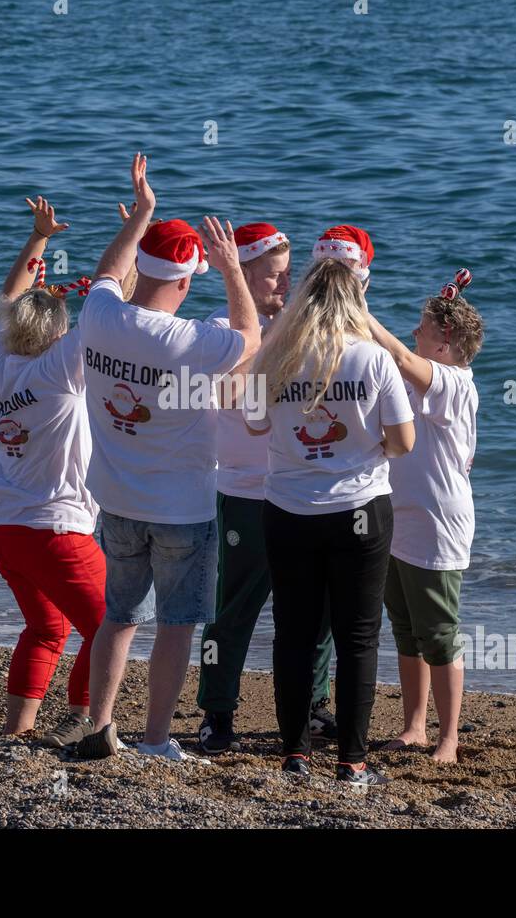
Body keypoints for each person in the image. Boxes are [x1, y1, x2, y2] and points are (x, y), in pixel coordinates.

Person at [75, 154, 261, 760]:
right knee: (176, 627)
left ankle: (99, 726)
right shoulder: (191, 341)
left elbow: (107, 270)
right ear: (186, 282)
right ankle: (155, 738)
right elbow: (250, 336)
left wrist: (143, 216)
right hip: (182, 508)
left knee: (118, 617)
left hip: (117, 499)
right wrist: (234, 269)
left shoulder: (99, 316)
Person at [246, 256, 415, 786]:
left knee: (293, 635)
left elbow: (254, 425)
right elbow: (403, 442)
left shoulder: (275, 356)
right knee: (358, 637)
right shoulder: (373, 358)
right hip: (359, 510)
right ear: (355, 305)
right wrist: (366, 446)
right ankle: (352, 761)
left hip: (289, 509)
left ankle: (294, 755)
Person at [196, 222, 338, 755]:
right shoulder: (219, 329)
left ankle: (314, 702)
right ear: (246, 272)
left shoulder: (304, 325)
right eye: (274, 276)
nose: (285, 286)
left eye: (288, 275)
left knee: (317, 609)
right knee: (233, 609)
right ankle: (217, 710)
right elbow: (234, 400)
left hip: (305, 491)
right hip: (247, 491)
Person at [0, 195, 105, 749]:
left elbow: (9, 297)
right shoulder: (61, 366)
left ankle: (18, 730)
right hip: (57, 531)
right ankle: (80, 719)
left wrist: (38, 239)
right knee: (108, 628)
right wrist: (135, 233)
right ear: (59, 334)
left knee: (47, 628)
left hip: (3, 527)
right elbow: (105, 307)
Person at [367, 274, 483, 763]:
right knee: (405, 628)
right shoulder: (422, 378)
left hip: (438, 521)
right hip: (399, 517)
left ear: (446, 340)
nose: (415, 332)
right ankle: (414, 725)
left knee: (438, 633)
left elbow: (397, 355)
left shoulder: (455, 384)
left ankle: (449, 736)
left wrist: (358, 309)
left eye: (422, 327)